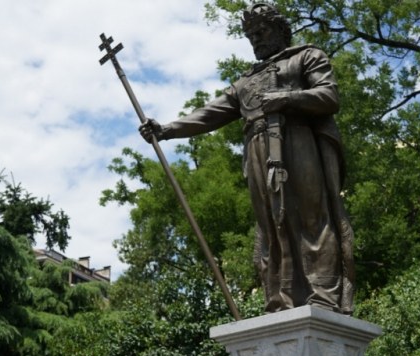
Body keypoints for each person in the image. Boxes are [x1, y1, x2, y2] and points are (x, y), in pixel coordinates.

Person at [139, 2, 354, 315]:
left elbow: (328, 96)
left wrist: (286, 99)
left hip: (298, 139)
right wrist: (167, 128)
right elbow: (209, 114)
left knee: (311, 216)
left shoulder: (306, 57)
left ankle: (322, 295)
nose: (256, 39)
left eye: (261, 31)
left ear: (281, 30)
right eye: (251, 35)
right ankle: (280, 300)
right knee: (270, 224)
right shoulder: (246, 82)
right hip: (256, 147)